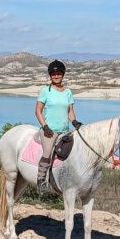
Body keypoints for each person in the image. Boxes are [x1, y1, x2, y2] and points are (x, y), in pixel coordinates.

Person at [35, 59, 82, 193]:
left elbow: (70, 112)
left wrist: (75, 122)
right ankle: (41, 181)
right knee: (47, 152)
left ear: (63, 75)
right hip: (49, 131)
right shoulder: (45, 91)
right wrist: (45, 127)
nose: (56, 76)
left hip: (65, 131)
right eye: (53, 74)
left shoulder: (68, 92)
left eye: (59, 73)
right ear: (50, 75)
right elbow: (38, 111)